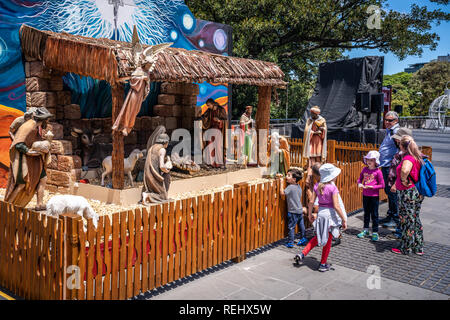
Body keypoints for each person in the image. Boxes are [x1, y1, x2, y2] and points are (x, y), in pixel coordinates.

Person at [295, 163, 347, 272]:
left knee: (319, 237)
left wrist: (309, 214)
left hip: (321, 215)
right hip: (330, 216)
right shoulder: (333, 188)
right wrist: (343, 219)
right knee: (327, 241)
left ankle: (302, 253)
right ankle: (323, 264)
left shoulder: (317, 186)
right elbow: (337, 206)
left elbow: (311, 202)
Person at [4, 107, 53, 210]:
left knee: (42, 179)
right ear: (43, 118)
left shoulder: (36, 126)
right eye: (47, 119)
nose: (48, 122)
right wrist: (28, 151)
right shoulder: (29, 126)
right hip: (25, 160)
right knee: (21, 184)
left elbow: (34, 140)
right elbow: (18, 143)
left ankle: (39, 204)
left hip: (35, 160)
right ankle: (8, 206)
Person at [391, 135, 425, 255]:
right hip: (414, 192)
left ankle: (406, 247)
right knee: (414, 219)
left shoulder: (408, 158)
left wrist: (403, 180)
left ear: (402, 146)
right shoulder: (416, 156)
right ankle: (418, 246)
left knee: (406, 220)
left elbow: (405, 170)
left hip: (407, 193)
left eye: (399, 143)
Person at [386, 127, 413, 239]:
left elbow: (404, 171)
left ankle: (400, 233)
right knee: (403, 212)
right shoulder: (407, 152)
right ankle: (402, 232)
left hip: (402, 187)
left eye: (398, 139)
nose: (396, 141)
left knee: (401, 212)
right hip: (402, 187)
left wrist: (396, 183)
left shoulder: (405, 154)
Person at [356, 150, 385, 241]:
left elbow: (382, 185)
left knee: (375, 214)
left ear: (376, 161)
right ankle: (365, 230)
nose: (369, 161)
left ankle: (375, 232)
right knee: (366, 213)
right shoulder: (364, 169)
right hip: (365, 195)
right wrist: (359, 184)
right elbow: (359, 179)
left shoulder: (378, 172)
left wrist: (372, 187)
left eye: (371, 160)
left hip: (374, 196)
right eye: (368, 159)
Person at [378, 111, 400, 229]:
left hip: (391, 166)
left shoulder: (396, 131)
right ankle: (390, 214)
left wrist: (395, 164)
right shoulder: (390, 131)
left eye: (390, 120)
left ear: (396, 121)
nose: (387, 122)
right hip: (386, 165)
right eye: (385, 120)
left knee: (392, 192)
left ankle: (395, 218)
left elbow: (401, 149)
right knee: (388, 191)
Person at [143, 128, 172, 203]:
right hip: (154, 176)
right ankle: (147, 196)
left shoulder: (152, 147)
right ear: (165, 142)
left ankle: (147, 195)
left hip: (147, 176)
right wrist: (167, 168)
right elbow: (162, 166)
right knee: (163, 196)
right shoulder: (162, 149)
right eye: (167, 142)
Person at [280, 168, 308, 248]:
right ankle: (303, 238)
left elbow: (282, 193)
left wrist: (281, 183)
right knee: (301, 225)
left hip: (293, 211)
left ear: (294, 179)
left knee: (291, 227)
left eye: (288, 175)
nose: (286, 177)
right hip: (299, 210)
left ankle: (290, 242)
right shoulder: (298, 186)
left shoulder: (290, 187)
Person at [200, 98, 228, 168]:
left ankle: (219, 163)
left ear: (212, 104)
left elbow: (225, 121)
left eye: (208, 105)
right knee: (210, 146)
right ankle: (211, 163)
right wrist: (201, 117)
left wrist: (219, 121)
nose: (208, 107)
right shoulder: (209, 110)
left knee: (218, 147)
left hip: (218, 131)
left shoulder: (221, 110)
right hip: (211, 130)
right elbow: (204, 117)